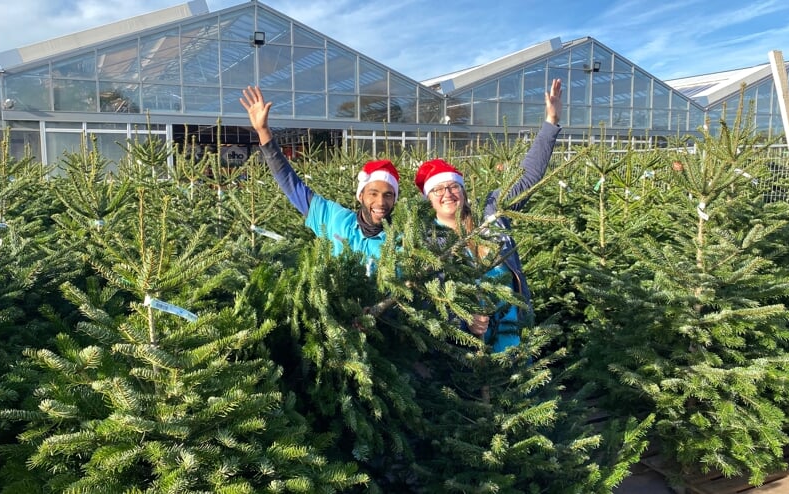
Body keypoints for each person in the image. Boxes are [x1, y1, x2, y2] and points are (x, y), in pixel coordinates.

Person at [414, 78, 562, 352]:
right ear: (429, 199)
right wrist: (462, 321)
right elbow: (426, 302)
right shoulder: (428, 243)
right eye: (438, 190)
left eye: (453, 186)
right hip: (469, 357)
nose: (447, 193)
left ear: (463, 190)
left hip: (513, 340)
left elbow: (528, 176)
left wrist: (550, 122)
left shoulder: (492, 215)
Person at [240, 86, 399, 271]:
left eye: (388, 195)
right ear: (361, 195)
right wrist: (264, 132)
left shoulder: (402, 240)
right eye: (373, 193)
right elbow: (293, 186)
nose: (381, 202)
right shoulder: (335, 219)